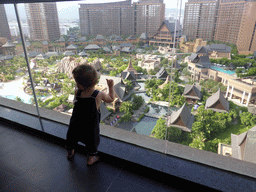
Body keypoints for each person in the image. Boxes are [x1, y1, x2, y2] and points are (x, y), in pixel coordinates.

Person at [66, 64, 115, 165]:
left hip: (76, 123)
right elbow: (111, 98)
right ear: (95, 80)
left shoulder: (77, 92)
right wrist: (110, 86)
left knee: (72, 137)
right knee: (92, 141)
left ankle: (70, 152)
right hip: (90, 126)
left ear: (79, 84)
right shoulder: (98, 94)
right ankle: (91, 158)